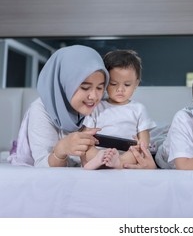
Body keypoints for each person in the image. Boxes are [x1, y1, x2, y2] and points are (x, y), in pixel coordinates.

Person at [8, 45, 156, 169]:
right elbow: (42, 166)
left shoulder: (105, 104)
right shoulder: (42, 110)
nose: (94, 97)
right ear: (65, 84)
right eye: (85, 88)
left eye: (100, 88)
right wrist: (61, 150)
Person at [82, 50, 156, 169]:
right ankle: (99, 160)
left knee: (135, 152)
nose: (120, 89)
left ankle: (117, 162)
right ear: (105, 82)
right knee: (88, 148)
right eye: (113, 84)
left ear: (136, 84)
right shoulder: (97, 106)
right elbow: (87, 132)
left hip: (126, 151)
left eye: (127, 85)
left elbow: (144, 137)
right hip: (99, 149)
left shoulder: (138, 109)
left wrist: (142, 145)